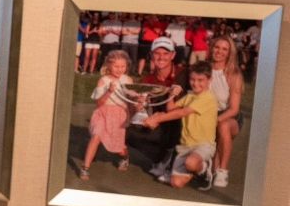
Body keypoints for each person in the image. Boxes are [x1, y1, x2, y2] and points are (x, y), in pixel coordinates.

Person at [143, 61, 219, 189]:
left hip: (203, 145)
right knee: (176, 183)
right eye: (192, 79)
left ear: (209, 80)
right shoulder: (190, 96)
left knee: (191, 162)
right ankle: (192, 169)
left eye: (201, 80)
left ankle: (204, 170)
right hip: (185, 146)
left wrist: (158, 119)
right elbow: (171, 109)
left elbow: (182, 112)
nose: (196, 83)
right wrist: (172, 94)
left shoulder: (208, 98)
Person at [128, 37, 186, 172]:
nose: (161, 57)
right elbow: (139, 106)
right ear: (151, 55)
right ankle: (161, 157)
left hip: (183, 123)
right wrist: (138, 106)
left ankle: (173, 156)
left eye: (166, 53)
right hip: (159, 125)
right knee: (127, 132)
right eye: (157, 53)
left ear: (173, 55)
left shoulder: (185, 74)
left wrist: (159, 117)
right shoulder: (147, 79)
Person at [79, 50, 133, 181]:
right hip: (103, 113)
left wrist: (135, 106)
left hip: (119, 116)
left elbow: (131, 100)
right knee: (96, 136)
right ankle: (85, 168)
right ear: (108, 66)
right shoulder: (103, 80)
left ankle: (125, 157)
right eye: (116, 66)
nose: (120, 69)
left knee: (119, 147)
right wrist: (108, 91)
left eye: (123, 66)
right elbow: (99, 103)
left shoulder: (128, 80)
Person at [210, 36, 245, 188]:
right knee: (209, 171)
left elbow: (234, 109)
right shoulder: (203, 69)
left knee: (223, 126)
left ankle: (223, 171)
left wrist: (214, 121)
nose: (219, 52)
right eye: (217, 47)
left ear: (230, 53)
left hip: (229, 116)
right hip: (208, 114)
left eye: (225, 49)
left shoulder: (233, 74)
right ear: (211, 48)